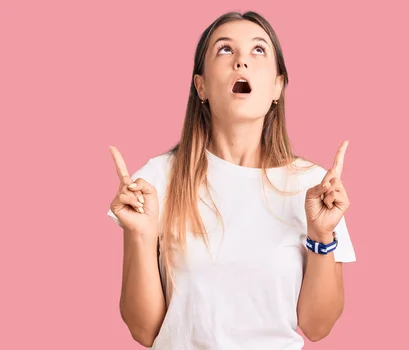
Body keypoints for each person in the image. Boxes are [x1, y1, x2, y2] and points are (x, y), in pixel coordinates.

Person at [107, 11, 356, 350]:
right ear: (201, 86)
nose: (241, 61)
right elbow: (144, 331)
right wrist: (140, 234)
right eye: (225, 50)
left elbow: (317, 326)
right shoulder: (156, 180)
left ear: (277, 86)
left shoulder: (313, 187)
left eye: (258, 50)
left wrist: (322, 234)